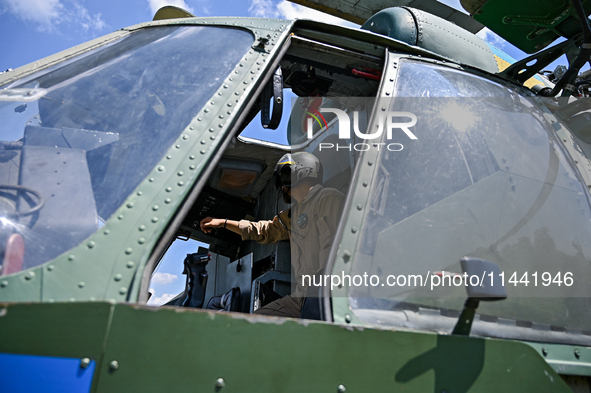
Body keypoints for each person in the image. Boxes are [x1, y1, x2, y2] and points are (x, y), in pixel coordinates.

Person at [200, 152, 345, 318]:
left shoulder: (327, 199)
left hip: (325, 294)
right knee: (254, 323)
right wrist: (224, 223)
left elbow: (336, 254)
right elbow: (263, 230)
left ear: (302, 173)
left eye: (284, 177)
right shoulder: (292, 216)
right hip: (300, 298)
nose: (281, 186)